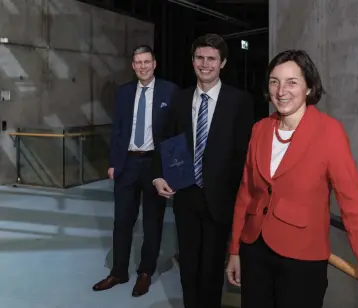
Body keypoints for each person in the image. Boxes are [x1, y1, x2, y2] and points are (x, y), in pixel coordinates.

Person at [225, 49, 358, 308]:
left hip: (301, 259)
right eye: (274, 81)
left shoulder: (329, 132)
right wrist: (234, 250)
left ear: (309, 88)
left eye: (292, 82)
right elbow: (246, 193)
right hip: (254, 251)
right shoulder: (260, 129)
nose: (281, 91)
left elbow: (352, 202)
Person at [152, 33, 254, 308]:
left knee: (211, 271)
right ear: (192, 61)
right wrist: (159, 174)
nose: (205, 64)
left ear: (222, 63)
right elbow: (165, 140)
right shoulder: (180, 99)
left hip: (221, 201)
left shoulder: (239, 101)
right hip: (185, 197)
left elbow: (245, 155)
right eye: (200, 58)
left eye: (211, 59)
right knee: (188, 267)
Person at [92, 45, 178, 297]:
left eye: (147, 62)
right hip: (127, 164)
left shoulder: (169, 91)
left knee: (153, 222)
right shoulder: (124, 92)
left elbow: (173, 134)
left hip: (154, 166)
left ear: (154, 64)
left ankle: (145, 272)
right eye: (138, 62)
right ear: (133, 65)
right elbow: (117, 129)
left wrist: (170, 170)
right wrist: (113, 163)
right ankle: (118, 272)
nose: (143, 66)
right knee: (122, 222)